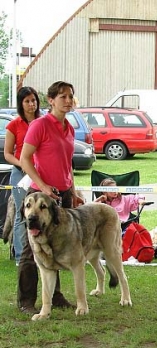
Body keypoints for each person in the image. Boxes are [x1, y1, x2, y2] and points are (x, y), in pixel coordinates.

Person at [17, 81, 84, 315]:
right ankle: (26, 301)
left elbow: (67, 165)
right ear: (51, 100)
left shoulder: (70, 128)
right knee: (32, 248)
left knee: (58, 247)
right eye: (62, 96)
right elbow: (25, 159)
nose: (68, 101)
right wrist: (44, 186)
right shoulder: (40, 125)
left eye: (70, 96)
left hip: (62, 195)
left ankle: (55, 297)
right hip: (39, 196)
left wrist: (73, 191)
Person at [4, 86, 42, 265]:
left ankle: (43, 254)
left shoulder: (44, 122)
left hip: (41, 173)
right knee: (22, 214)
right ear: (21, 104)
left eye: (33, 100)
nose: (31, 104)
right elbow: (8, 154)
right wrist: (23, 164)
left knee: (43, 213)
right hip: (20, 174)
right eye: (27, 101)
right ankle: (22, 257)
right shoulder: (14, 125)